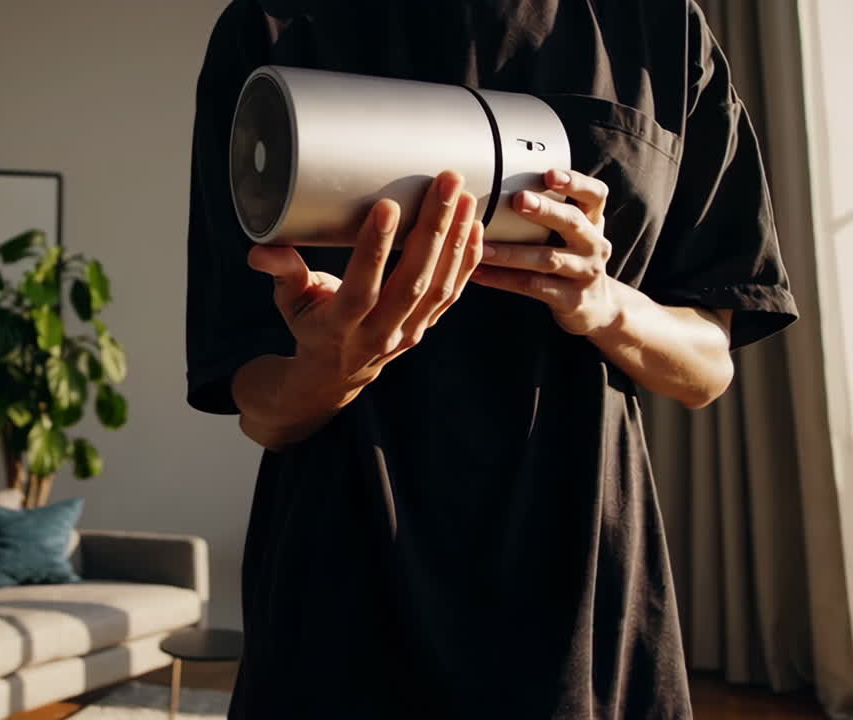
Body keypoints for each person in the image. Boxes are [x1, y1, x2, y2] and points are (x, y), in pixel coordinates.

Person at [185, 0, 800, 717]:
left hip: (579, 573)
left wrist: (602, 303)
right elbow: (252, 396)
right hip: (343, 574)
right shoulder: (277, 25)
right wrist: (330, 369)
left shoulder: (661, 27)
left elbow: (706, 367)